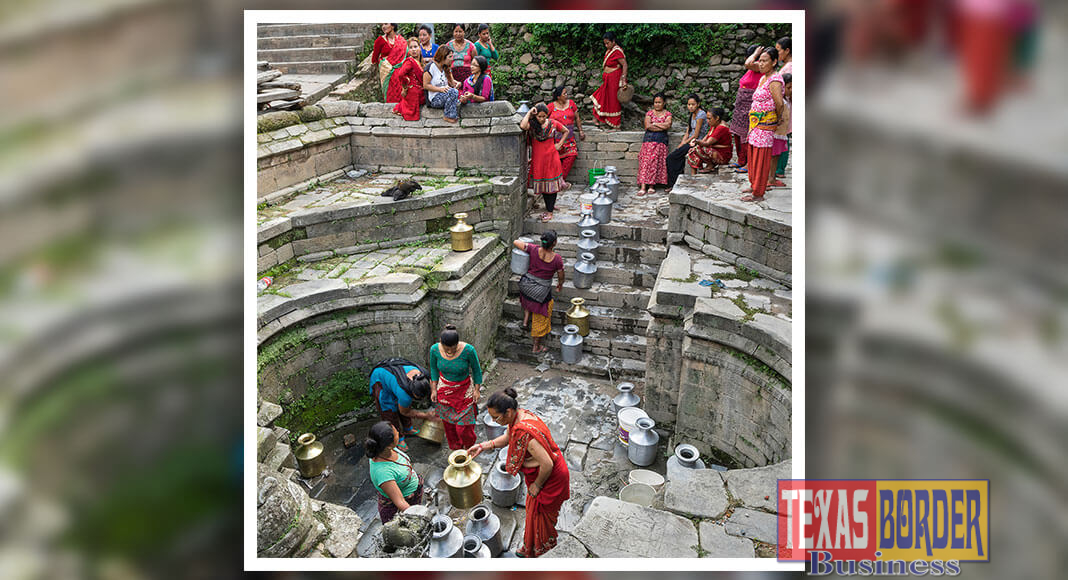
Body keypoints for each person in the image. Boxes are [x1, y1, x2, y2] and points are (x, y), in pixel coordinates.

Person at [467, 388, 570, 558]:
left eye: (495, 417)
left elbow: (547, 463)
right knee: (533, 513)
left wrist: (537, 485)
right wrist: (483, 446)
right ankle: (530, 546)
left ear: (508, 412)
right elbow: (508, 437)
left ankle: (543, 551)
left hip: (550, 478)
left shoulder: (525, 433)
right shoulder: (518, 416)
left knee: (542, 519)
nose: (494, 421)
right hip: (542, 473)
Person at [428, 324, 483, 450]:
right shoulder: (434, 350)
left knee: (464, 428)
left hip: (464, 391)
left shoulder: (469, 350)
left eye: (453, 349)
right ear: (441, 343)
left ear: (458, 343)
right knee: (449, 426)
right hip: (444, 391)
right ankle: (457, 449)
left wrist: (476, 390)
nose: (449, 352)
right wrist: (433, 389)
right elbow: (433, 369)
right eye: (446, 349)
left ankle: (469, 447)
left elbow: (476, 370)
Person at [743, 48, 785, 202]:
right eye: (759, 60)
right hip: (755, 124)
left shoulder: (774, 80)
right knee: (753, 156)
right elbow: (749, 64)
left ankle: (758, 193)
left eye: (764, 60)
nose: (760, 64)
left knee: (761, 159)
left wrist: (777, 118)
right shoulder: (763, 78)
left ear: (774, 62)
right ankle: (754, 184)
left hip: (765, 125)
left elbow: (779, 103)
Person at [368, 357, 435, 452]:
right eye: (418, 397)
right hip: (380, 378)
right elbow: (405, 412)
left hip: (394, 377)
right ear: (411, 389)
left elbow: (433, 386)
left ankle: (408, 429)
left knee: (406, 404)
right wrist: (426, 415)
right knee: (389, 411)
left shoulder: (424, 376)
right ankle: (398, 438)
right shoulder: (404, 393)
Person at [514, 231, 565, 354]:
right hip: (540, 292)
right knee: (542, 313)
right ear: (554, 243)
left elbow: (516, 242)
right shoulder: (557, 259)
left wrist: (528, 245)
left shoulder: (533, 249)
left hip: (525, 286)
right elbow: (561, 275)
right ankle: (536, 346)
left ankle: (526, 321)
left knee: (528, 297)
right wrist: (560, 284)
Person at [520, 103, 570, 222]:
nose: (542, 119)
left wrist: (559, 144)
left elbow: (566, 131)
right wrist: (529, 113)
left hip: (552, 159)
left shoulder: (553, 124)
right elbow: (523, 125)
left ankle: (550, 211)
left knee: (552, 185)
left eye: (544, 116)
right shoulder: (532, 126)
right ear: (535, 115)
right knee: (544, 185)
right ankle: (550, 206)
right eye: (539, 116)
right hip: (538, 161)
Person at [366, 421, 423, 524]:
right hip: (402, 505)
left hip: (411, 493)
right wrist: (420, 519)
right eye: (396, 433)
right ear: (388, 445)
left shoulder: (385, 450)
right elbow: (400, 502)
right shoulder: (383, 473)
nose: (398, 431)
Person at [728, 45, 763, 172]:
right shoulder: (750, 70)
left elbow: (748, 63)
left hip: (749, 107)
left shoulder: (759, 67)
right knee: (738, 135)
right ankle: (741, 160)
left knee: (747, 136)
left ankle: (748, 163)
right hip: (740, 107)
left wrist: (755, 54)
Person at [665, 94, 707, 192]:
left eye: (693, 104)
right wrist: (682, 142)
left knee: (671, 158)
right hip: (690, 141)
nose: (690, 106)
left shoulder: (701, 114)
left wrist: (684, 144)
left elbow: (696, 135)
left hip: (696, 142)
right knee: (675, 157)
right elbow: (688, 131)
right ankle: (675, 183)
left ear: (698, 104)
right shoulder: (692, 114)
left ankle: (673, 183)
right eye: (689, 104)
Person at [547, 86, 585, 188]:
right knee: (556, 160)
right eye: (564, 94)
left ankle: (559, 181)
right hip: (555, 138)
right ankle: (557, 182)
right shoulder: (551, 106)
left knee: (572, 155)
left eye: (566, 93)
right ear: (558, 97)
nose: (566, 95)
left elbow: (577, 118)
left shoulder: (571, 104)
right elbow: (542, 118)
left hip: (569, 138)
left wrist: (581, 130)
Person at [637, 93, 673, 196]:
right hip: (648, 141)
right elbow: (648, 126)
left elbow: (668, 125)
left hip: (661, 142)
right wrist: (661, 126)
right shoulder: (649, 113)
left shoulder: (668, 114)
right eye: (655, 102)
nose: (657, 104)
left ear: (664, 103)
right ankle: (643, 186)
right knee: (645, 162)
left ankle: (652, 186)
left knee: (655, 163)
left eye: (659, 102)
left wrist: (655, 124)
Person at [590, 31, 627, 129]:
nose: (606, 45)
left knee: (612, 100)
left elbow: (624, 65)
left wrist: (623, 79)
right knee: (602, 96)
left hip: (614, 79)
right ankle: (597, 118)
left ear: (613, 41)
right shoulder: (610, 50)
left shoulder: (617, 51)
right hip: (608, 79)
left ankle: (615, 124)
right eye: (605, 43)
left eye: (608, 43)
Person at [686, 107, 732, 174]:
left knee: (699, 149)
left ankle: (709, 165)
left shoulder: (721, 128)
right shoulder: (714, 125)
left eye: (709, 119)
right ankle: (694, 174)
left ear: (717, 118)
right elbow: (705, 138)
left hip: (723, 156)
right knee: (693, 150)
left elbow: (707, 143)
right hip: (716, 152)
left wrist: (696, 142)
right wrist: (697, 142)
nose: (707, 121)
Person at [424, 45, 461, 124]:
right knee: (453, 92)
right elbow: (425, 85)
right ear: (443, 56)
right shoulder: (430, 67)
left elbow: (452, 82)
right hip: (434, 98)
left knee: (457, 93)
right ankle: (448, 115)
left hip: (444, 94)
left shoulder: (446, 67)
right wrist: (440, 89)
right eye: (450, 57)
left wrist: (457, 83)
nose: (452, 59)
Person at [370, 23, 406, 102]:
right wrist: (384, 64)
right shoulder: (380, 40)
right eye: (382, 25)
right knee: (390, 94)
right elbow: (374, 59)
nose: (383, 26)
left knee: (402, 92)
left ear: (392, 26)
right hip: (387, 72)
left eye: (386, 24)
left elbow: (405, 56)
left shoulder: (401, 40)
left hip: (401, 72)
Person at [391, 39, 425, 121]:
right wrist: (405, 87)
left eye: (415, 47)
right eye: (411, 47)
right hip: (413, 91)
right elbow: (401, 74)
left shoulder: (419, 62)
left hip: (419, 89)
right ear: (408, 51)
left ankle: (400, 108)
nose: (413, 49)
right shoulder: (410, 61)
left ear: (420, 48)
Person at [773, 73, 793, 182]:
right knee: (775, 153)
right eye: (789, 87)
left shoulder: (789, 99)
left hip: (784, 131)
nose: (791, 90)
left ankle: (779, 171)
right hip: (777, 132)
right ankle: (773, 173)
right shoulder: (780, 100)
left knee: (782, 151)